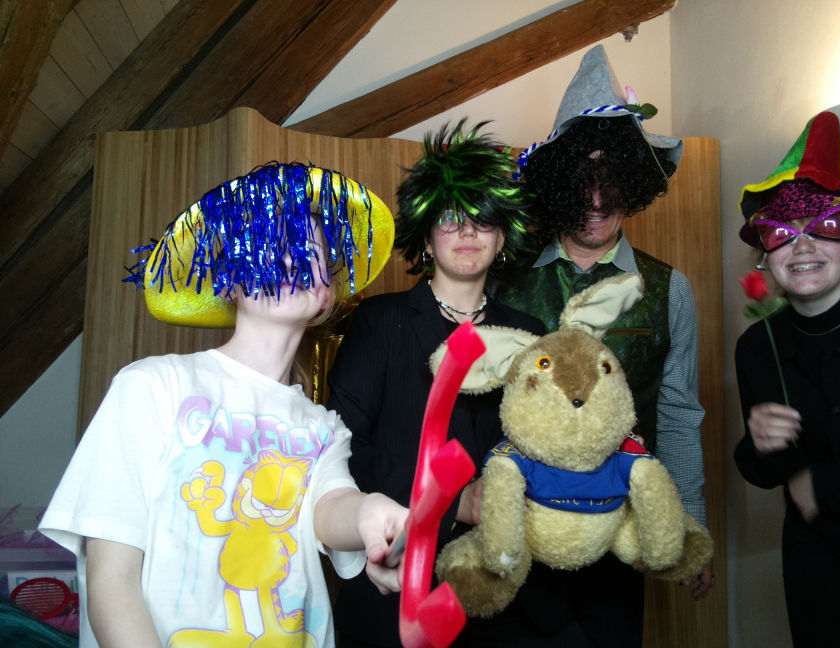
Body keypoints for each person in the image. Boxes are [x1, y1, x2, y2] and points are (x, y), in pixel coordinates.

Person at [38, 162, 408, 648]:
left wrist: (369, 513)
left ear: (327, 293)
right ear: (230, 280)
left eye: (308, 249)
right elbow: (112, 579)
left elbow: (331, 507)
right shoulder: (151, 387)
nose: (290, 257)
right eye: (268, 245)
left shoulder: (323, 427)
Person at [494, 45, 712, 646]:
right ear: (559, 185)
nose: (595, 201)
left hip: (618, 533)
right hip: (522, 536)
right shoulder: (506, 281)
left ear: (633, 185)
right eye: (581, 182)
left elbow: (678, 413)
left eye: (612, 182)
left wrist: (688, 523)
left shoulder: (668, 289)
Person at [326, 121, 545, 647]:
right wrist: (454, 504)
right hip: (395, 591)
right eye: (450, 218)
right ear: (426, 237)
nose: (468, 231)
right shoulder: (380, 322)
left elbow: (544, 449)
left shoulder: (530, 335)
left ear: (502, 237)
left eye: (483, 219)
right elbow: (343, 452)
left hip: (504, 596)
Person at [734, 111, 840, 646]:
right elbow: (764, 470)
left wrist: (821, 486)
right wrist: (760, 445)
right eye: (783, 234)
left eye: (823, 227)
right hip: (818, 570)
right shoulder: (757, 347)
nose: (803, 246)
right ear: (765, 258)